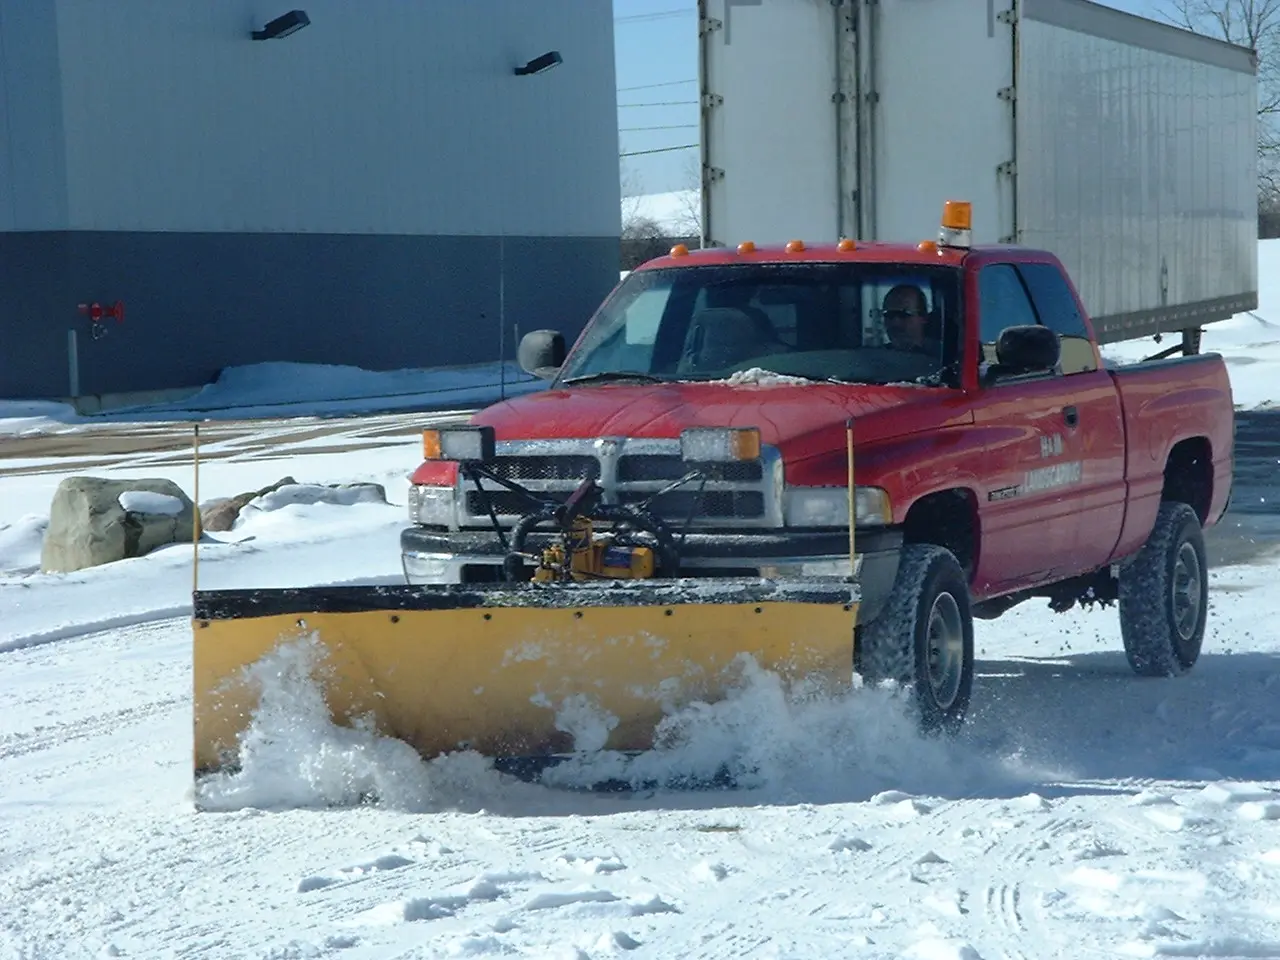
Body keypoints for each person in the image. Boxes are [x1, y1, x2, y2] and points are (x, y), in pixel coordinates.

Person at [881, 284, 934, 353]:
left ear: (923, 317)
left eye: (904, 314)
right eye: (889, 314)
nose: (895, 323)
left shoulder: (943, 354)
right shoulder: (876, 356)